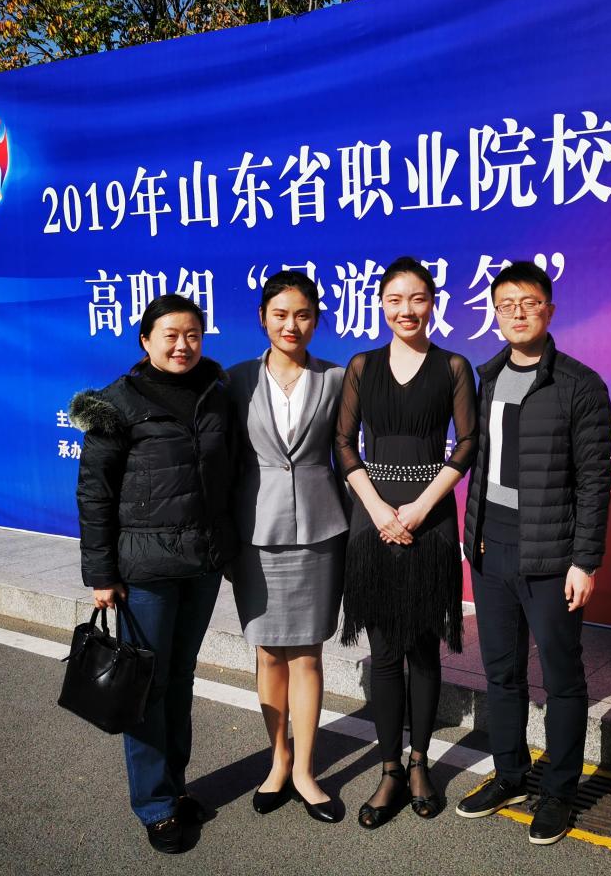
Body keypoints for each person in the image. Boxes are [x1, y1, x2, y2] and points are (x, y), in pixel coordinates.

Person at [71, 293, 237, 854]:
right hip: (145, 571)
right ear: (145, 341)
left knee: (180, 679)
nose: (182, 345)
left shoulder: (216, 394)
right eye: (170, 335)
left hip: (201, 565)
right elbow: (95, 493)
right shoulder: (116, 403)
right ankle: (155, 805)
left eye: (192, 334)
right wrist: (101, 573)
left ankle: (176, 786)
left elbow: (228, 477)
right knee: (146, 686)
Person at [455, 261, 611, 846]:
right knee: (501, 671)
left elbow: (595, 480)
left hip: (551, 553)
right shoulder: (488, 376)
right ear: (494, 314)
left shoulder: (580, 385)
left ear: (549, 309)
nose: (517, 313)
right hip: (491, 546)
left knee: (562, 676)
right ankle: (510, 775)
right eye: (506, 305)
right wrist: (472, 540)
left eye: (528, 303)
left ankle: (560, 791)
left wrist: (585, 561)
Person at [334, 256, 477, 829]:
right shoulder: (362, 366)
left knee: (422, 649)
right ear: (381, 305)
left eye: (417, 298)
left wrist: (419, 508)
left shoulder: (453, 366)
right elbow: (344, 443)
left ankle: (421, 764)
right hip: (372, 520)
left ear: (432, 303)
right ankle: (390, 769)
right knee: (385, 652)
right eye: (394, 300)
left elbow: (467, 443)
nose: (406, 310)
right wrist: (377, 509)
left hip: (429, 519)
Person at [227, 270, 348, 824]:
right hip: (256, 533)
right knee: (268, 652)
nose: (291, 325)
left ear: (316, 320)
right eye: (280, 314)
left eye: (302, 314)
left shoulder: (337, 378)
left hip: (321, 532)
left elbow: (348, 454)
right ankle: (277, 761)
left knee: (307, 654)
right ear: (262, 318)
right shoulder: (235, 380)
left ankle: (305, 771)